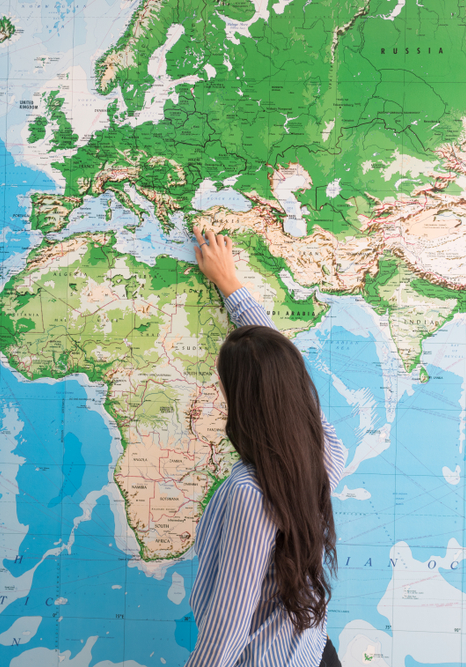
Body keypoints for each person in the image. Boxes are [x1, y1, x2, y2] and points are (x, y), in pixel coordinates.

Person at [185, 226, 346, 667]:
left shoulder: (249, 496)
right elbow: (281, 375)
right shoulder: (325, 452)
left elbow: (229, 624)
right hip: (316, 654)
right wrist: (232, 287)